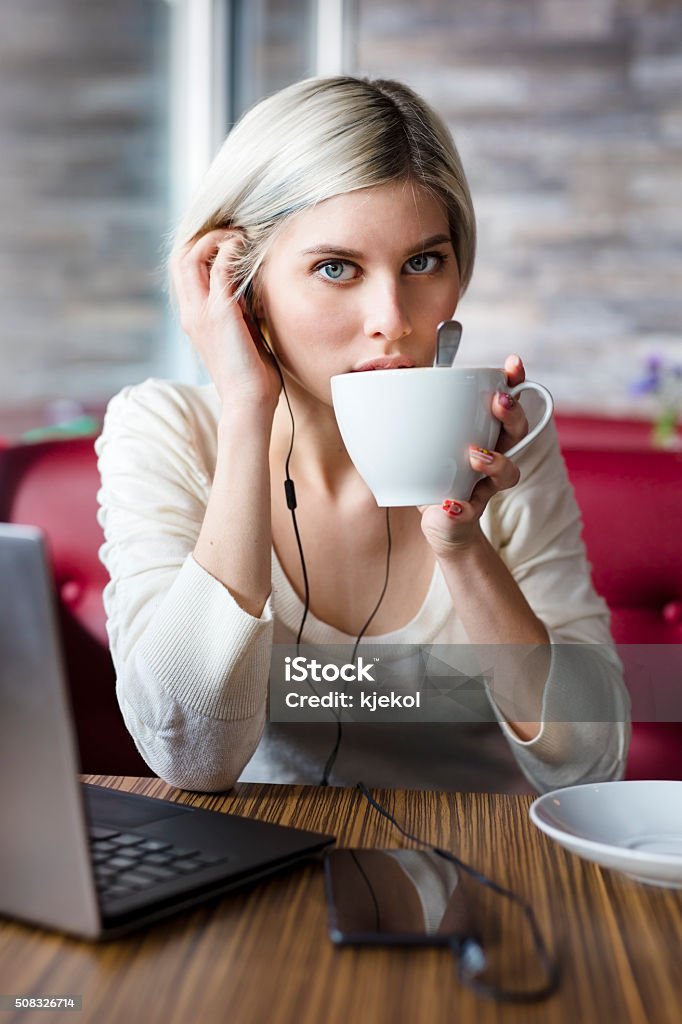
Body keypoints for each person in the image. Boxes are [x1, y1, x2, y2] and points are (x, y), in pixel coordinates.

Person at [95, 75, 630, 794]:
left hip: (487, 865)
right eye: (336, 267)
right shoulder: (165, 430)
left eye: (422, 262)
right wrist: (247, 408)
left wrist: (463, 546)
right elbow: (193, 756)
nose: (395, 319)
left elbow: (594, 762)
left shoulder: (500, 438)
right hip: (265, 872)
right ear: (242, 283)